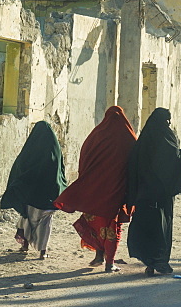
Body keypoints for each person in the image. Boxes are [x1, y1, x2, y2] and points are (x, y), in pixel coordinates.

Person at [54, 105, 137, 272]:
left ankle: (99, 254)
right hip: (117, 191)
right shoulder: (128, 138)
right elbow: (136, 164)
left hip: (94, 190)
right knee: (112, 226)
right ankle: (109, 263)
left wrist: (86, 179)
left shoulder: (96, 135)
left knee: (96, 223)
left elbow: (84, 158)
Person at [126, 108, 181, 276]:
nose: (169, 124)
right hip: (161, 194)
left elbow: (133, 166)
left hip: (144, 194)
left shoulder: (144, 140)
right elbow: (172, 162)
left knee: (146, 226)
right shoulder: (166, 137)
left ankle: (149, 264)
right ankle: (160, 262)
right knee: (161, 226)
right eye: (167, 120)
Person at [0, 121, 67, 260]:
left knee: (27, 218)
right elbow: (60, 170)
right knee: (45, 222)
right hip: (48, 193)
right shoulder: (55, 149)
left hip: (31, 192)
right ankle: (43, 251)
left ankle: (25, 246)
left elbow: (20, 166)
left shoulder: (31, 148)